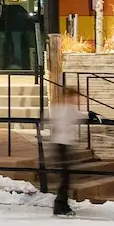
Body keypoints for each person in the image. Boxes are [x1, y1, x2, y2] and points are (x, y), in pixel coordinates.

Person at [43, 84, 86, 217]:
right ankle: (60, 204)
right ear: (71, 97)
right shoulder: (68, 109)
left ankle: (62, 204)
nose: (79, 100)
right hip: (63, 145)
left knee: (65, 177)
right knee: (65, 177)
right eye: (76, 97)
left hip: (61, 144)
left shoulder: (60, 108)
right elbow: (80, 116)